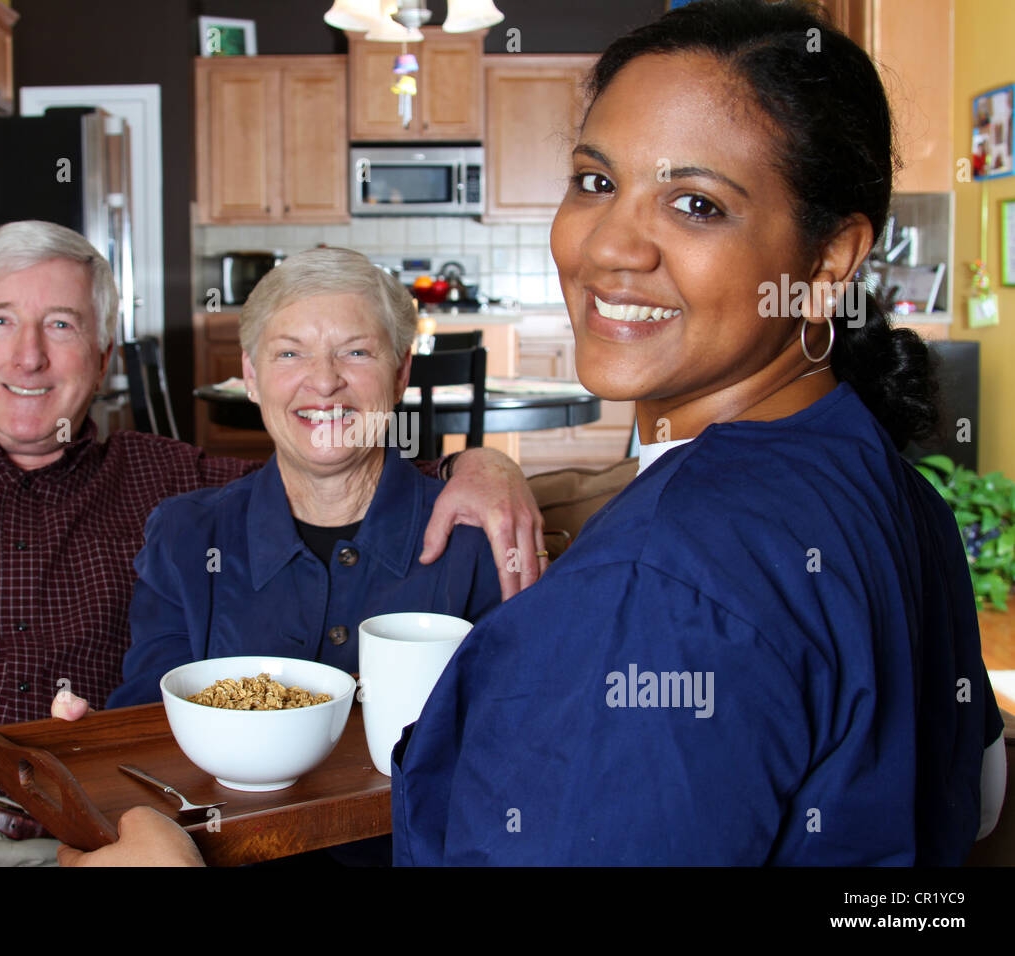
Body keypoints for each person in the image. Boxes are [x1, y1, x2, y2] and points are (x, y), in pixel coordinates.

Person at [58, 0, 1005, 868]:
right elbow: (974, 795)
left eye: (696, 203)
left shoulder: (659, 588)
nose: (607, 247)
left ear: (831, 254)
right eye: (596, 180)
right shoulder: (885, 487)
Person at [0, 221, 546, 868]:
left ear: (104, 353)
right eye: (2, 320)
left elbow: (327, 458)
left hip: (61, 836)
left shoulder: (164, 482)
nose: (29, 355)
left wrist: (480, 467)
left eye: (63, 324)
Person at [106, 248, 502, 706]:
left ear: (399, 374)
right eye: (290, 353)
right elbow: (144, 729)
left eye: (355, 351)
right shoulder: (184, 540)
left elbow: (511, 729)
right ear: (252, 376)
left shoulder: (477, 539)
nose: (324, 381)